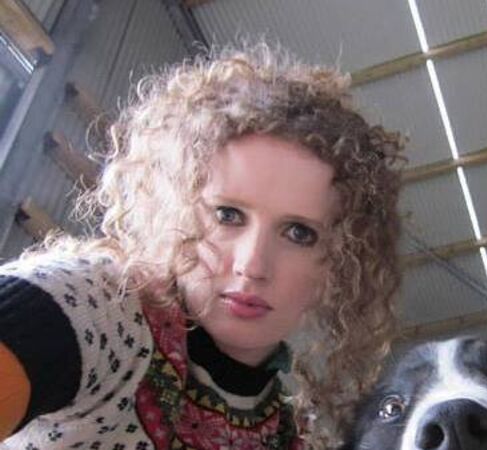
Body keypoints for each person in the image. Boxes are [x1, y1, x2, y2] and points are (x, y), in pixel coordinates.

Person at [0, 43, 404, 450]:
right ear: (174, 210)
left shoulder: (286, 436)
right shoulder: (93, 309)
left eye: (299, 233)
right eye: (228, 215)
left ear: (339, 266)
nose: (252, 265)